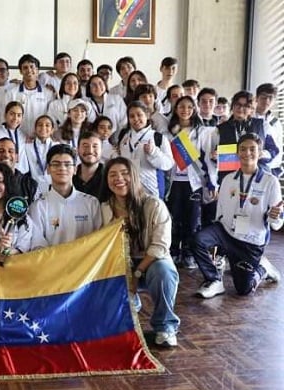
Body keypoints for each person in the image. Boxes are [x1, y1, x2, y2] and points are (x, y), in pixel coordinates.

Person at [99, 156, 180, 347]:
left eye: (125, 173)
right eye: (112, 175)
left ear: (134, 176)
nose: (119, 178)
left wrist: (136, 274)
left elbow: (160, 247)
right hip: (119, 264)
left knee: (164, 272)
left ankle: (165, 327)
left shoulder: (154, 205)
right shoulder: (103, 208)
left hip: (151, 261)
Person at [191, 133, 283, 299]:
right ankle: (214, 280)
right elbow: (220, 212)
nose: (247, 153)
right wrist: (215, 244)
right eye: (243, 149)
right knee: (198, 240)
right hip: (226, 232)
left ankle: (263, 268)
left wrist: (274, 216)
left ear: (260, 153)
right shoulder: (228, 179)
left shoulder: (270, 182)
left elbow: (276, 222)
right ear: (237, 153)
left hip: (251, 241)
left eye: (252, 149)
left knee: (243, 290)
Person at [166, 96, 218, 269]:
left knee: (193, 219)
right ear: (176, 108)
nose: (185, 110)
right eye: (181, 106)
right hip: (174, 182)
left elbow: (208, 159)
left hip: (194, 182)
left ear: (194, 109)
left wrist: (212, 182)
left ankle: (188, 254)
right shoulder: (170, 131)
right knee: (174, 218)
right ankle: (174, 252)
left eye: (189, 107)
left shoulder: (202, 131)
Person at [29, 144, 101, 248]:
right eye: (56, 164)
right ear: (48, 169)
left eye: (67, 164)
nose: (62, 168)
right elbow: (38, 247)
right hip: (52, 263)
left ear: (75, 169)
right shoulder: (38, 206)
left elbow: (98, 242)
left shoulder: (91, 203)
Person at [217, 90, 277, 183]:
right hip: (229, 178)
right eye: (238, 104)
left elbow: (273, 150)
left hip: (257, 177)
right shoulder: (220, 129)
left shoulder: (263, 125)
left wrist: (262, 154)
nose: (241, 108)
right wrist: (214, 156)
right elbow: (213, 154)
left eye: (246, 106)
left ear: (251, 109)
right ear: (232, 106)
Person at [117, 101, 174, 198]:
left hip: (152, 190)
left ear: (147, 115)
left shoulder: (158, 137)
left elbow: (169, 164)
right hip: (129, 190)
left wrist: (154, 152)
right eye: (132, 116)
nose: (136, 119)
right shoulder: (124, 137)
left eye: (139, 115)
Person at [5, 54, 55, 137]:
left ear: (37, 70)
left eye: (32, 67)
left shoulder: (48, 93)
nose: (29, 70)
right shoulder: (11, 93)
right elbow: (7, 118)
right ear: (20, 71)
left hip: (40, 137)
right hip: (17, 137)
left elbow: (50, 118)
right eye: (25, 68)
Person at [24, 115, 60, 193]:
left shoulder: (58, 146)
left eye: (47, 125)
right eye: (40, 125)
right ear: (35, 129)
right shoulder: (27, 147)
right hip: (33, 188)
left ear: (52, 130)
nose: (43, 128)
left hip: (54, 187)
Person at [254, 83, 283, 177]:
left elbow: (278, 148)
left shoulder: (275, 123)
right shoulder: (248, 117)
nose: (266, 100)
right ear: (256, 98)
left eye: (270, 98)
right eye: (263, 97)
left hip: (268, 170)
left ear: (274, 101)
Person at [0, 102, 30, 173]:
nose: (15, 118)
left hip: (22, 175)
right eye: (12, 114)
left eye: (19, 115)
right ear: (5, 115)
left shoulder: (23, 135)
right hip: (2, 173)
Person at [73, 131, 105, 200]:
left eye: (95, 146)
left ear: (101, 150)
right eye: (85, 146)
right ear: (77, 150)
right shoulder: (70, 176)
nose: (90, 151)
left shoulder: (108, 176)